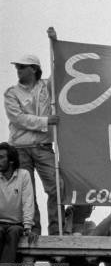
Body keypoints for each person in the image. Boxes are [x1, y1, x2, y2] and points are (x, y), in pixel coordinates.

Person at [4, 28, 62, 235]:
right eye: (18, 67)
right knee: (27, 192)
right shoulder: (11, 93)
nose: (18, 70)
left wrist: (54, 42)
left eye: (22, 67)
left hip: (43, 146)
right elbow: (17, 118)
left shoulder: (46, 87)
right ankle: (33, 230)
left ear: (34, 69)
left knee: (57, 187)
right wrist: (46, 121)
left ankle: (56, 231)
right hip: (20, 148)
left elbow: (59, 68)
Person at [0, 142, 36, 265]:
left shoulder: (23, 175)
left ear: (11, 161)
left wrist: (27, 227)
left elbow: (28, 201)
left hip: (17, 224)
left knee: (14, 232)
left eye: (1, 157)